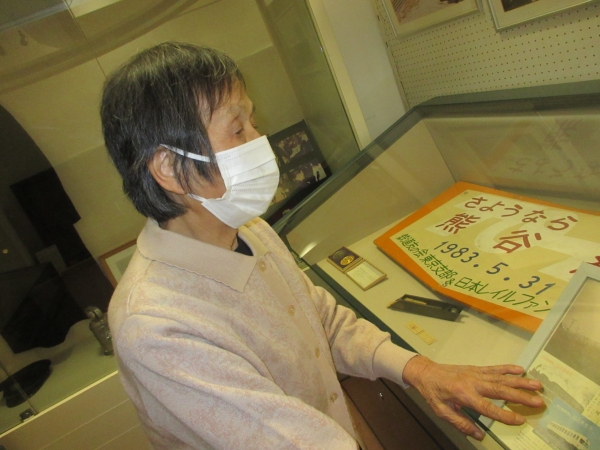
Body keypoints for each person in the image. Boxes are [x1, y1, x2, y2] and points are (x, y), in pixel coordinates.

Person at [101, 42, 543, 449]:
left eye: (254, 122)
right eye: (237, 130)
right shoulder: (156, 327)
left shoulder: (249, 230)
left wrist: (421, 370)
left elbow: (319, 321)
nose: (260, 142)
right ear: (170, 168)